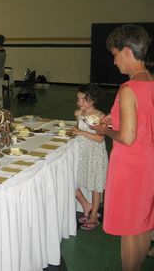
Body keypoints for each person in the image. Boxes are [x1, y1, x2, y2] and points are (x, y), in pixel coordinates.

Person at [94, 24, 154, 271]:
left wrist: (105, 130)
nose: (115, 62)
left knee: (129, 229)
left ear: (127, 52)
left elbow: (128, 137)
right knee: (143, 223)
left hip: (129, 167)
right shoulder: (150, 80)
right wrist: (114, 117)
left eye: (115, 55)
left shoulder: (128, 88)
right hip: (147, 162)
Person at [72, 84, 108, 230]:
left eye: (82, 100)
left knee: (95, 185)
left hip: (95, 154)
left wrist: (80, 132)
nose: (79, 102)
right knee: (73, 180)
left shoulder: (100, 116)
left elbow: (100, 138)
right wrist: (80, 114)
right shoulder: (79, 114)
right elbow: (78, 128)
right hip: (83, 153)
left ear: (92, 101)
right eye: (78, 99)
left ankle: (94, 216)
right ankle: (86, 205)